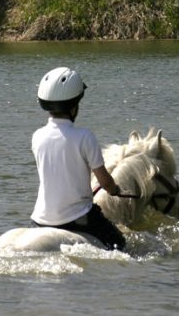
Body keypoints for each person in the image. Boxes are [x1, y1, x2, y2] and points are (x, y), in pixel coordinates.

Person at [30, 66, 126, 250]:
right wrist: (115, 190)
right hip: (76, 218)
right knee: (120, 244)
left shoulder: (37, 136)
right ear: (74, 106)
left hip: (39, 219)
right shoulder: (84, 136)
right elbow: (104, 181)